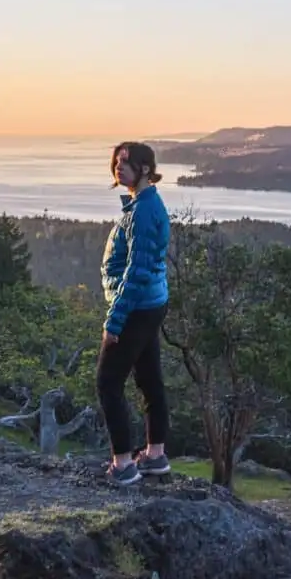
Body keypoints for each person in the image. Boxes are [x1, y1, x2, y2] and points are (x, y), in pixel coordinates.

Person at [97, 141, 171, 486]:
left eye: (125, 162)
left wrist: (115, 321)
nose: (118, 167)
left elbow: (136, 271)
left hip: (137, 306)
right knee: (148, 378)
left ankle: (123, 464)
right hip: (152, 303)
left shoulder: (142, 212)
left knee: (108, 382)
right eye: (116, 161)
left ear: (144, 168)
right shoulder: (146, 203)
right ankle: (155, 456)